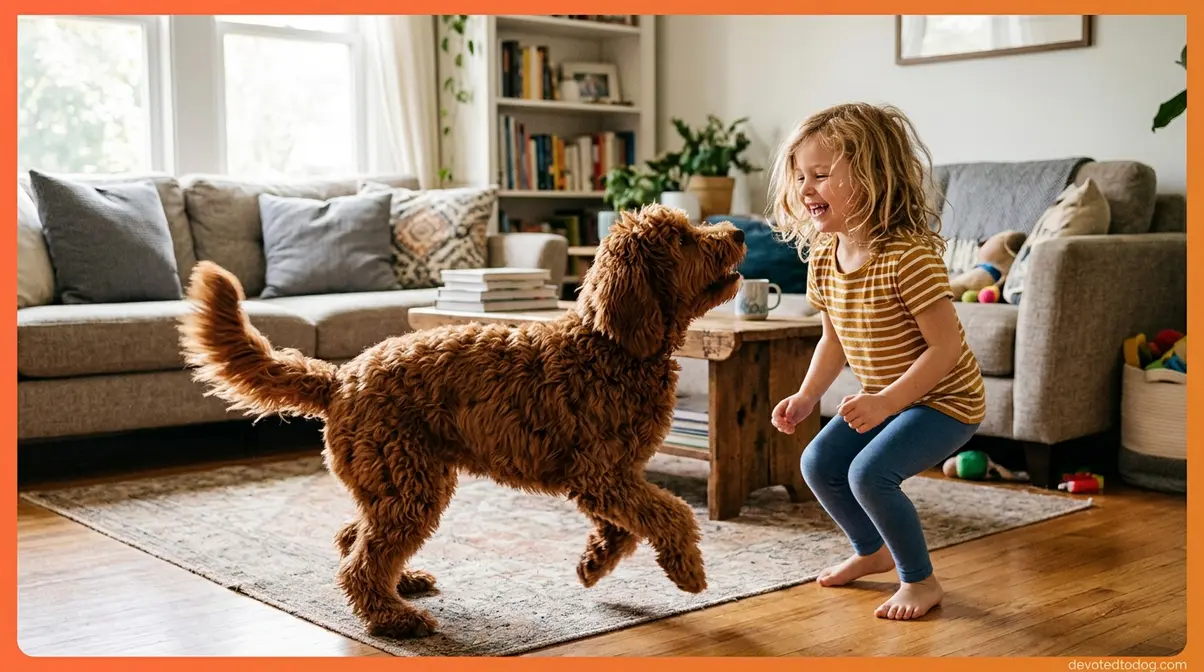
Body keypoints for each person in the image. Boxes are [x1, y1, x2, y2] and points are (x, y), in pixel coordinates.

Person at [766, 102, 986, 621]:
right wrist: (806, 396)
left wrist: (886, 401)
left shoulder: (908, 256)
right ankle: (873, 551)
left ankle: (920, 581)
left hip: (946, 401)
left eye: (821, 175)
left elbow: (945, 350)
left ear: (872, 178)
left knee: (870, 474)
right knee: (818, 464)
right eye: (800, 176)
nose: (806, 188)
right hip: (890, 399)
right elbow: (833, 340)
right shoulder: (823, 255)